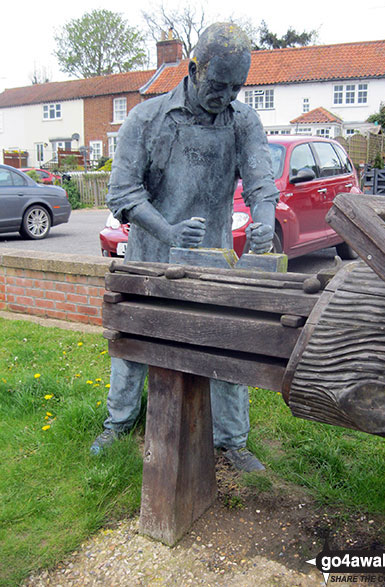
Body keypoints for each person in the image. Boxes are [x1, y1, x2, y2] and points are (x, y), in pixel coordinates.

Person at [91, 22, 279, 472]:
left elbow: (260, 182)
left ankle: (231, 440)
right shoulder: (147, 119)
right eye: (219, 84)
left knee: (224, 348)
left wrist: (264, 222)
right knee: (133, 341)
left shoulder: (243, 122)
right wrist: (168, 230)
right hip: (149, 259)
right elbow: (123, 193)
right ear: (194, 69)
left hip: (211, 260)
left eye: (237, 86)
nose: (228, 95)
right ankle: (119, 422)